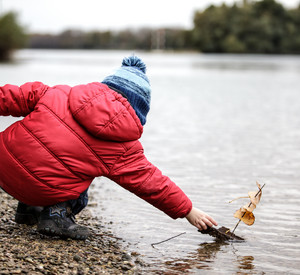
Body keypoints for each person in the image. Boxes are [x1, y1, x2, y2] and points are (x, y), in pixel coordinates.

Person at [0, 56, 217, 240]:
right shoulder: (122, 147)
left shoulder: (57, 93)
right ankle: (56, 215)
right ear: (139, 110)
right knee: (82, 168)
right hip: (42, 189)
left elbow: (10, 97)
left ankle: (28, 209)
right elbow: (152, 183)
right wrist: (188, 210)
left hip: (3, 167)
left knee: (46, 150)